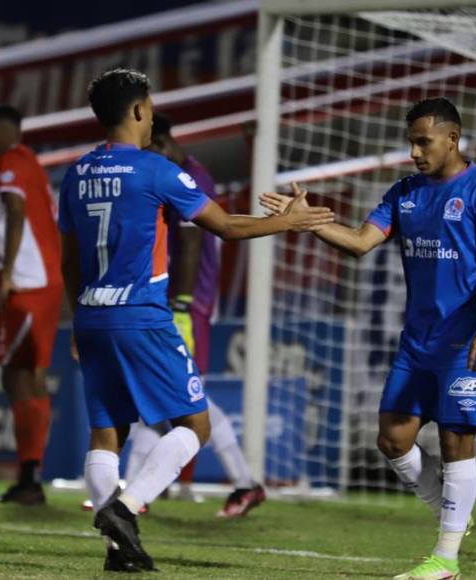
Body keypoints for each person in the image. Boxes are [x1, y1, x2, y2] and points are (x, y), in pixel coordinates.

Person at [59, 67, 333, 572]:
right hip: (141, 316)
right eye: (150, 107)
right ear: (138, 110)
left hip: (92, 316)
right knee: (195, 425)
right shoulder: (155, 169)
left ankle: (118, 551)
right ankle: (125, 507)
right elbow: (224, 226)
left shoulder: (76, 174)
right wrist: (289, 220)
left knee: (107, 436)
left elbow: (69, 261)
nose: (151, 117)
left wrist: (77, 318)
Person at [262, 97, 476, 580]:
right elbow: (361, 242)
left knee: (456, 439)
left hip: (467, 337)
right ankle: (451, 512)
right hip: (418, 341)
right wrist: (308, 219)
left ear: (452, 138)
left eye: (424, 142)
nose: (414, 152)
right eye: (411, 143)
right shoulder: (405, 193)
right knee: (393, 438)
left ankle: (445, 560)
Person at [122, 112, 264, 519]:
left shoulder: (189, 177)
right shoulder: (183, 172)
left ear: (162, 143)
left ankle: (134, 492)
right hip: (179, 300)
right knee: (172, 394)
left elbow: (191, 242)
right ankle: (240, 484)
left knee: (174, 394)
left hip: (188, 303)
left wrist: (182, 303)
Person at [0, 105, 64, 506]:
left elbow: (15, 212)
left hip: (28, 282)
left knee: (18, 375)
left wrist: (9, 272)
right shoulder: (31, 161)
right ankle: (30, 475)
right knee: (30, 373)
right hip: (47, 280)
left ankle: (30, 476)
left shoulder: (10, 161)